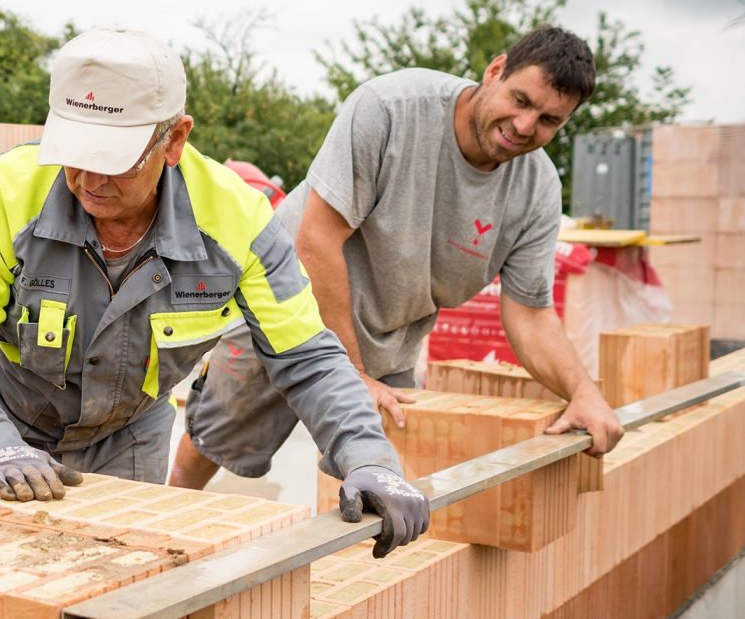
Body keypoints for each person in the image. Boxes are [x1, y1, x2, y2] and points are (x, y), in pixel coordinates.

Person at [0, 26, 427, 556]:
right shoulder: (6, 194)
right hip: (1, 416)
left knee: (116, 583)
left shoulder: (235, 220)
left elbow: (309, 358)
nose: (88, 178)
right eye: (73, 152)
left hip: (129, 436)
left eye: (114, 159)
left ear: (174, 139)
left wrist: (368, 458)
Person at [171, 25, 626, 494]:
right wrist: (352, 376)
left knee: (378, 477)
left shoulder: (536, 190)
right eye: (521, 100)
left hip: (387, 339)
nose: (526, 126)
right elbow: (317, 241)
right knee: (214, 441)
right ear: (495, 71)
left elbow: (530, 314)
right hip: (283, 307)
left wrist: (584, 393)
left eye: (550, 121)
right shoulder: (389, 110)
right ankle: (167, 533)